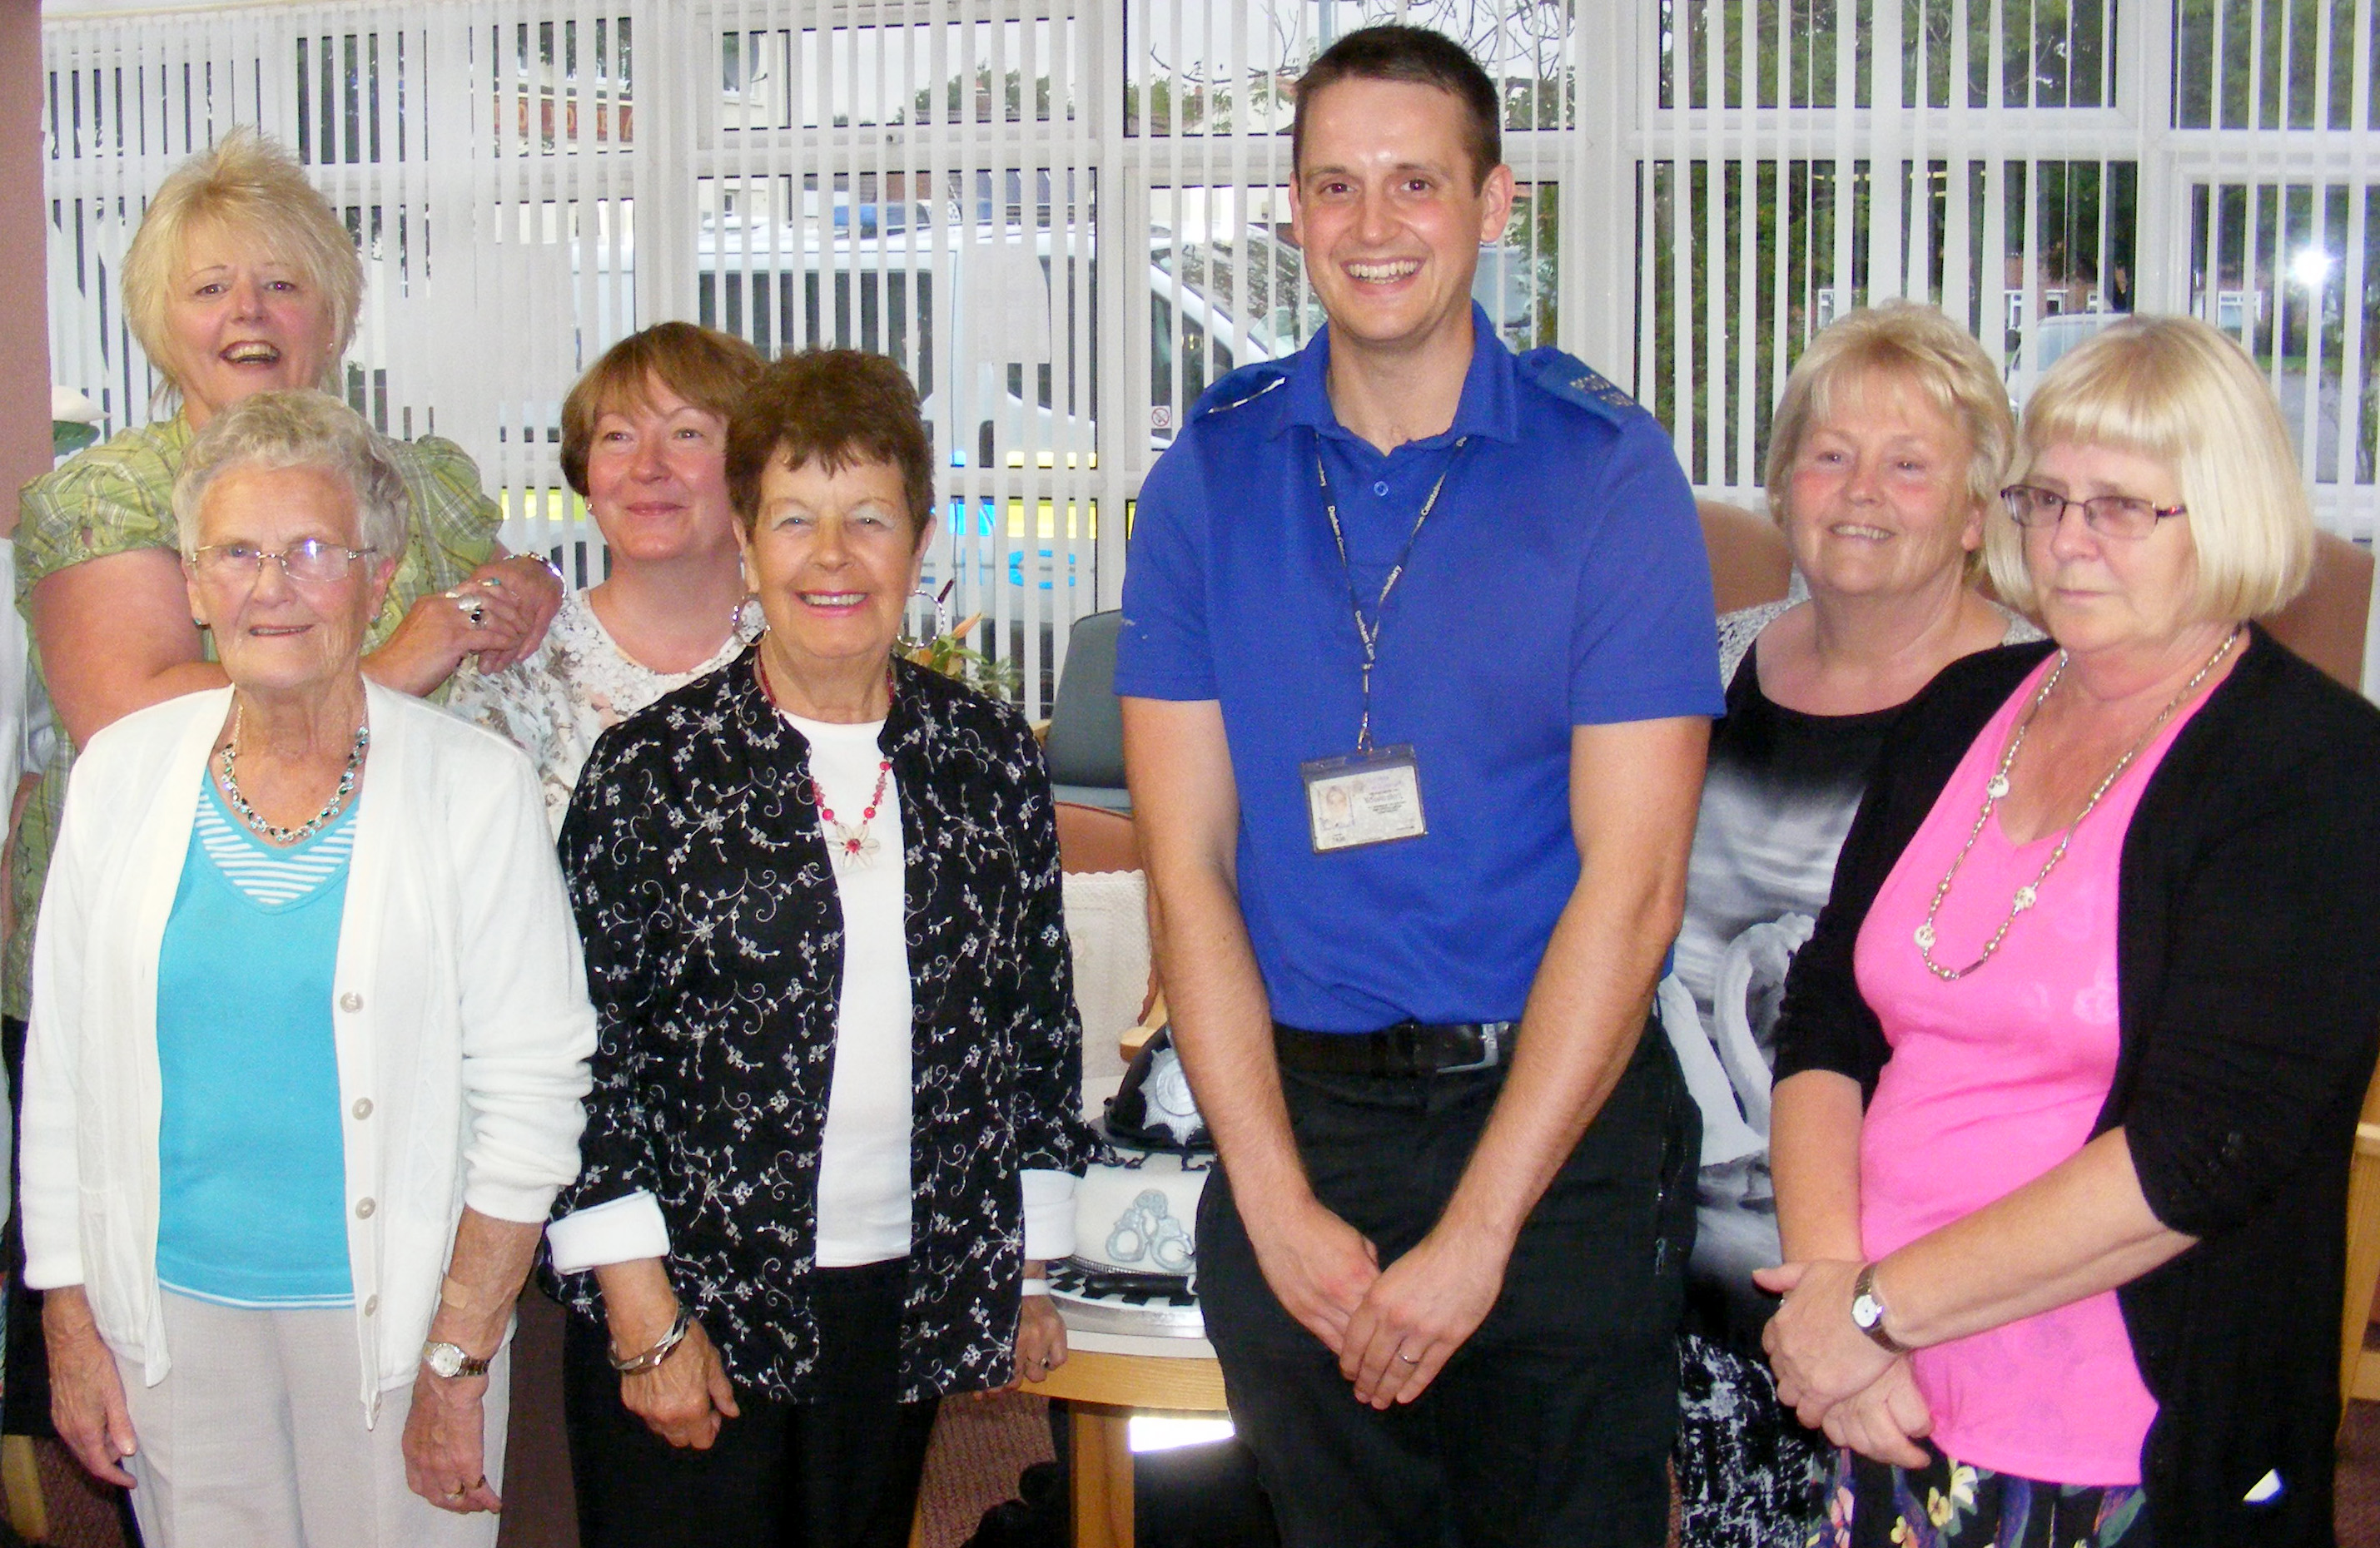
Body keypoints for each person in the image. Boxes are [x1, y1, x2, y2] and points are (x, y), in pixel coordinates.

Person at [1115, 25, 1722, 1548]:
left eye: (1413, 183)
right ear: (1292, 211)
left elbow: (1632, 883)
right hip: (1294, 1124)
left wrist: (1478, 1234)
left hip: (1553, 1130)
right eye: (1332, 185)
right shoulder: (1210, 470)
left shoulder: (1606, 471)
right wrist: (1268, 1199)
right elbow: (1181, 859)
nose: (1370, 226)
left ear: (1494, 204)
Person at [1762, 314, 2380, 1546]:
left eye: (2120, 506)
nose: (2064, 539)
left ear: (2228, 514)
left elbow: (2200, 1151)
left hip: (2116, 1436)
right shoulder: (1962, 707)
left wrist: (1876, 1310)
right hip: (1887, 1398)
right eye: (2044, 497)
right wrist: (1834, 1299)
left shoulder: (2312, 767)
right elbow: (1824, 1013)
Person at [17, 390, 594, 1546]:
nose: (270, 585)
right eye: (236, 551)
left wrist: (457, 1354)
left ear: (379, 583)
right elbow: (66, 1070)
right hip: (169, 1320)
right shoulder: (121, 775)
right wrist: (70, 1322)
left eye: (314, 551)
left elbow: (532, 1098)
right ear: (192, 583)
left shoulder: (470, 790)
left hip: (392, 1328)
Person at [546, 348, 1092, 1548]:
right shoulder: (653, 771)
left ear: (920, 541)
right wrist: (641, 1317)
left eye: (867, 520)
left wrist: (1030, 1267)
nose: (831, 558)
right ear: (744, 543)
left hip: (893, 1290)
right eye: (793, 519)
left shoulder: (985, 757)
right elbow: (579, 1055)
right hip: (690, 1290)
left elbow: (1034, 1025)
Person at [9, 123, 562, 1149]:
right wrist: (400, 663)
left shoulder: (418, 480)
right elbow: (122, 714)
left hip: (398, 967)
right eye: (210, 287)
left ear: (334, 314)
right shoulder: (106, 497)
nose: (248, 313)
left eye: (282, 286)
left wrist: (536, 582)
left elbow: (501, 612)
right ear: (160, 321)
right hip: (161, 974)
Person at [1660, 303, 2041, 1546]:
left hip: (1933, 1320)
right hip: (1703, 1298)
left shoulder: (2044, 709)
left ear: (1979, 511)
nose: (1858, 491)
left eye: (1908, 462)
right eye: (1827, 454)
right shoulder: (1700, 670)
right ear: (1780, 486)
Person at [450, 322, 764, 832]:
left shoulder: (802, 651)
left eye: (687, 433)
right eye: (618, 436)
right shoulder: (520, 658)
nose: (647, 466)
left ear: (751, 470)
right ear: (588, 480)